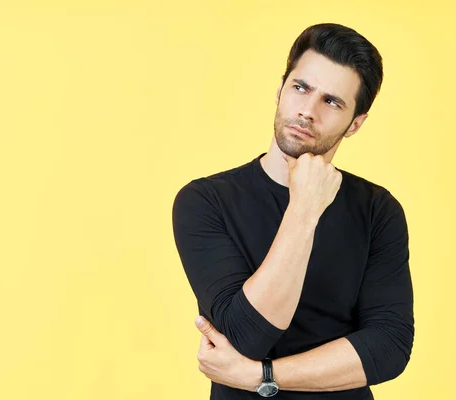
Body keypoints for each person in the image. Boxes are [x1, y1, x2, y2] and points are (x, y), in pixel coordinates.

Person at [172, 22, 414, 400]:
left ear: (355, 125)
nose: (307, 111)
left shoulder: (377, 210)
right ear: (280, 89)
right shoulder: (205, 200)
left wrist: (260, 375)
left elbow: (388, 347)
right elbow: (247, 334)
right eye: (300, 88)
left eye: (332, 101)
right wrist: (304, 207)